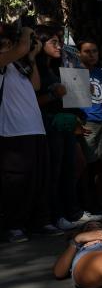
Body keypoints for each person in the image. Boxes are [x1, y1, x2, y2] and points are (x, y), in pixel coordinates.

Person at [36, 26, 96, 230]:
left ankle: (72, 212)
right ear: (39, 43)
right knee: (56, 171)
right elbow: (32, 99)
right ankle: (55, 215)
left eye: (60, 41)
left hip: (65, 125)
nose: (59, 46)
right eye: (53, 42)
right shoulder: (35, 69)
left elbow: (67, 97)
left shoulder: (55, 67)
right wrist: (53, 95)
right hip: (49, 125)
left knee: (70, 168)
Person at [1, 25, 54, 242]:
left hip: (35, 129)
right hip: (12, 132)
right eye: (5, 45)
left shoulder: (18, 66)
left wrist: (31, 56)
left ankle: (36, 222)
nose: (10, 48)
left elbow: (36, 85)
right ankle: (12, 226)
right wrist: (26, 31)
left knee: (37, 179)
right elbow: (21, 48)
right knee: (16, 182)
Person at [78, 40, 102, 214]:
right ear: (79, 54)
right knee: (87, 166)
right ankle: (87, 203)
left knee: (100, 165)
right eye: (87, 51)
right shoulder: (74, 73)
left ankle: (99, 202)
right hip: (87, 122)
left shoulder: (100, 73)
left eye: (94, 51)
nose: (91, 55)